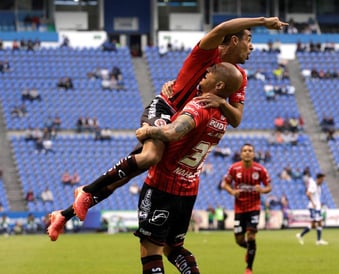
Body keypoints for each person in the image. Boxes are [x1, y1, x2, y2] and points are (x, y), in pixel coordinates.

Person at [47, 16, 288, 239]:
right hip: (166, 109)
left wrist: (219, 103)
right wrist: (264, 21)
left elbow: (236, 119)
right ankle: (87, 193)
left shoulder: (240, 78)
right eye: (249, 39)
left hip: (184, 124)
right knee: (151, 156)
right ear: (234, 40)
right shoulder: (208, 52)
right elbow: (222, 29)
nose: (252, 47)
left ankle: (64, 214)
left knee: (129, 171)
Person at [132, 62, 243, 274]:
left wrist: (146, 131)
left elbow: (172, 132)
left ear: (218, 84)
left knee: (151, 249)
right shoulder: (222, 117)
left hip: (163, 186)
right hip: (188, 189)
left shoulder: (198, 106)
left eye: (209, 73)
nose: (204, 73)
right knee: (174, 248)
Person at [221, 143, 272, 274]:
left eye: (250, 150)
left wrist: (263, 189)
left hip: (254, 207)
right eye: (245, 150)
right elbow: (225, 184)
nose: (247, 152)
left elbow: (269, 187)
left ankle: (249, 268)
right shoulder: (234, 168)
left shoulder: (260, 170)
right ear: (241, 154)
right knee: (239, 239)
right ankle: (249, 250)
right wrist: (232, 192)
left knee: (251, 236)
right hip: (239, 209)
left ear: (254, 154)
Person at [296, 173, 328, 245]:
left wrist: (318, 203)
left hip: (317, 207)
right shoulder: (313, 185)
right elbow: (308, 193)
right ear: (319, 179)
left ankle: (300, 235)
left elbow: (316, 196)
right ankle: (318, 240)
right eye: (322, 179)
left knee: (313, 225)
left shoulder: (318, 186)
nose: (323, 181)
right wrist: (313, 203)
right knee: (319, 222)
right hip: (314, 207)